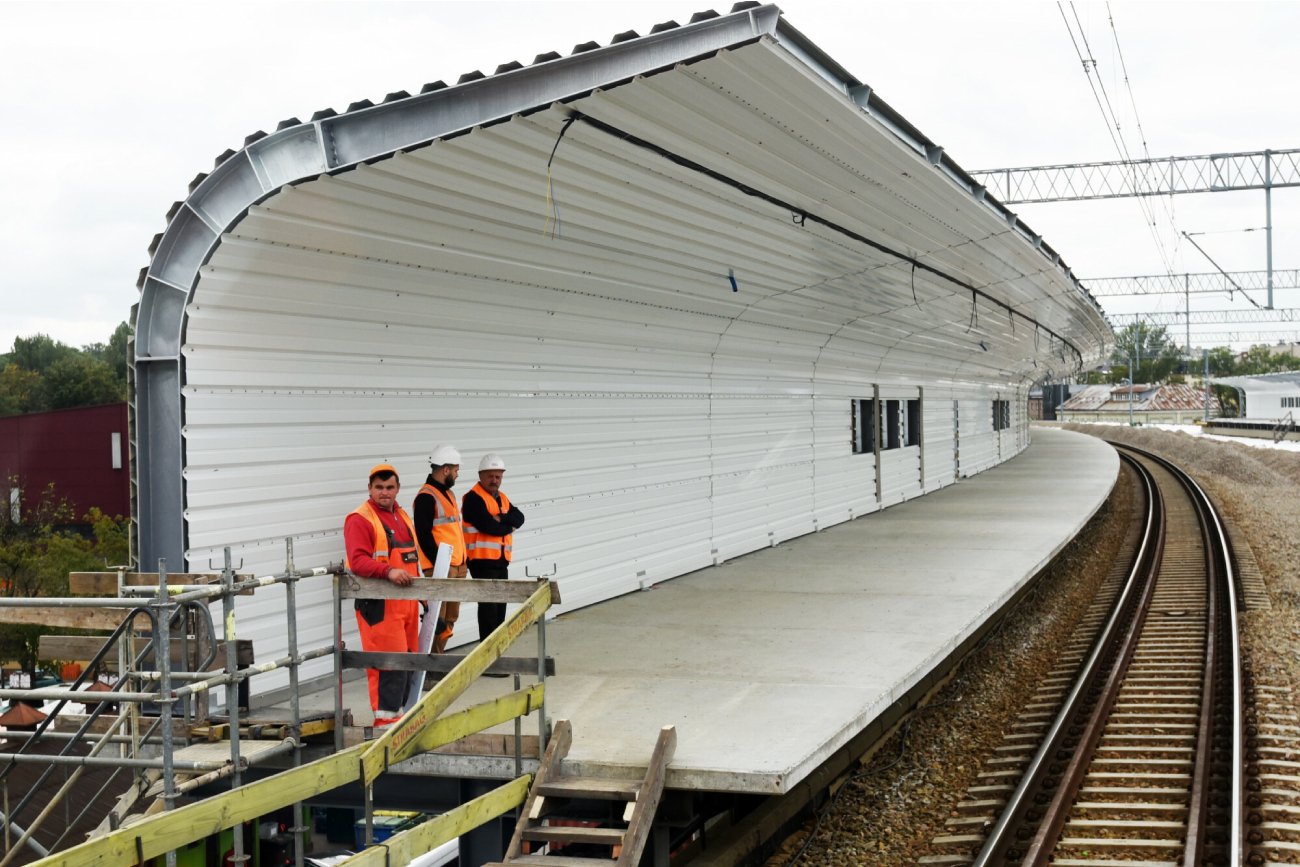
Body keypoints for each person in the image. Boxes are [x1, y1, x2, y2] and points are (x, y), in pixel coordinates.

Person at [343, 463, 428, 726]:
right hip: (380, 607)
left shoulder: (401, 516)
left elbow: (412, 560)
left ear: (398, 489)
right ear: (369, 489)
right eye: (378, 487)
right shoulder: (359, 519)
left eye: (389, 487)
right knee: (388, 667)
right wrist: (388, 571)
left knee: (408, 664)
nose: (384, 493)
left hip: (407, 604)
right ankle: (385, 727)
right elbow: (357, 561)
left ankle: (401, 721)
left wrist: (423, 594)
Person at [462, 453, 526, 642]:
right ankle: (488, 654)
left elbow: (520, 517)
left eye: (498, 476)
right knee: (489, 610)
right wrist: (507, 525)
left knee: (500, 609)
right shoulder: (473, 499)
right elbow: (489, 527)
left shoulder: (502, 498)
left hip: (500, 562)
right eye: (490, 476)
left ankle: (497, 651)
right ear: (480, 475)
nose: (494, 480)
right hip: (482, 562)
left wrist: (502, 520)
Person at [413, 444, 467, 653]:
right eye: (455, 469)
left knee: (450, 618)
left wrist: (463, 561)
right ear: (445, 469)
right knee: (437, 620)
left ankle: (438, 660)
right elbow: (423, 536)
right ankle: (429, 668)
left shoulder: (448, 494)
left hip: (456, 566)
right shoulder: (426, 497)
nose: (457, 473)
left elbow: (452, 531)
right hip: (440, 568)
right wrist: (440, 565)